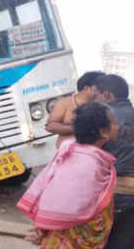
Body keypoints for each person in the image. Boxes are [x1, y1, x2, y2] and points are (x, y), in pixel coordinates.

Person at [18, 102, 118, 248]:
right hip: (71, 239)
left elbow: (49, 187)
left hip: (59, 236)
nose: (118, 126)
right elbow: (71, 204)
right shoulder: (89, 163)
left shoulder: (73, 150)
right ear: (103, 131)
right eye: (114, 123)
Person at [94, 74, 134, 248]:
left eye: (97, 96)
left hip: (115, 193)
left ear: (107, 95)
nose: (95, 101)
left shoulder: (102, 120)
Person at [45, 71, 105, 148]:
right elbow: (50, 126)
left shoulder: (102, 103)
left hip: (96, 151)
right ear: (86, 88)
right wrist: (77, 128)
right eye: (99, 87)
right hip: (70, 153)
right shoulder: (64, 103)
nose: (102, 90)